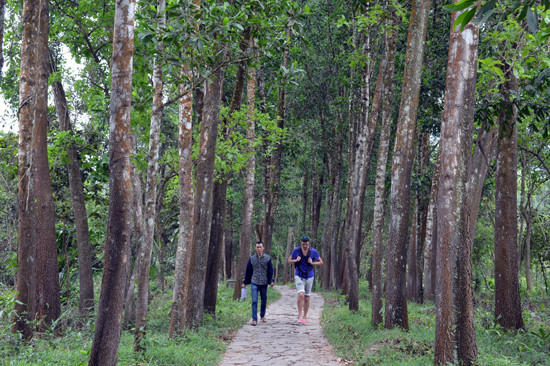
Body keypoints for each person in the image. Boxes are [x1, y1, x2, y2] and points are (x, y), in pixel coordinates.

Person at [288, 236, 323, 324]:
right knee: (301, 294)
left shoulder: (313, 251)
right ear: (301, 243)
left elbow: (321, 262)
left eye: (306, 244)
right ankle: (299, 315)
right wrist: (296, 260)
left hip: (309, 275)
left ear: (309, 243)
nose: (305, 246)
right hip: (299, 274)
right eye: (303, 244)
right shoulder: (297, 250)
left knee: (307, 297)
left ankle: (305, 317)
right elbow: (289, 260)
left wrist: (313, 263)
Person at [242, 241, 274, 326]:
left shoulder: (267, 258)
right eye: (257, 247)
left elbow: (270, 271)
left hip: (264, 282)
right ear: (255, 248)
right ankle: (254, 319)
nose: (259, 249)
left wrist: (271, 281)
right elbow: (248, 271)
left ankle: (262, 315)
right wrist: (245, 282)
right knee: (254, 300)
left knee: (264, 300)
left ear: (263, 248)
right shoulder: (252, 259)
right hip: (254, 282)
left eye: (260, 247)